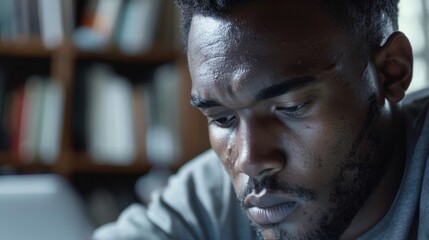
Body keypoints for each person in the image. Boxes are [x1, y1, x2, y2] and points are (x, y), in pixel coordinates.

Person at [93, 0, 429, 239]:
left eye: (291, 107)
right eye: (223, 119)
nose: (250, 161)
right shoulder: (212, 196)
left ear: (389, 73)